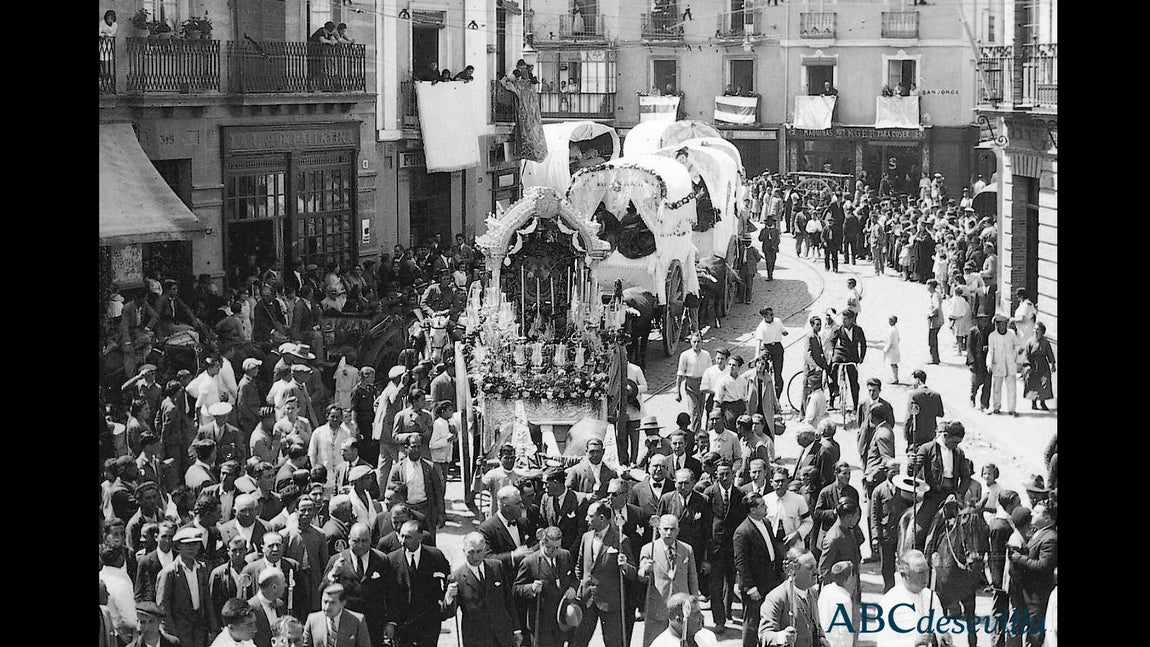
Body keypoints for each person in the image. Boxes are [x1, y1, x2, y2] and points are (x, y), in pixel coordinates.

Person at [572, 501, 638, 647]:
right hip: (587, 599)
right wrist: (580, 585)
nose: (586, 519)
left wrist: (624, 564)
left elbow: (632, 572)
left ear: (601, 518)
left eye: (590, 516)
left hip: (610, 602)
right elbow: (580, 565)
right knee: (578, 641)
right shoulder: (586, 537)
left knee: (613, 643)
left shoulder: (620, 540)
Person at [446, 532, 523, 647]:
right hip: (476, 639)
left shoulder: (497, 567)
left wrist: (516, 629)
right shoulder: (456, 577)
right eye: (471, 552)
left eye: (479, 551)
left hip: (502, 636)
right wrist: (449, 596)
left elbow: (508, 600)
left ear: (485, 550)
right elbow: (448, 613)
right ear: (464, 551)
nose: (475, 557)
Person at [637, 515, 699, 647]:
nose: (668, 533)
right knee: (653, 643)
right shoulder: (648, 549)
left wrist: (695, 604)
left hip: (682, 610)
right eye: (665, 529)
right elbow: (641, 577)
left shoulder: (687, 549)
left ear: (678, 530)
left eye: (672, 529)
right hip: (658, 607)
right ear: (659, 530)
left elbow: (692, 578)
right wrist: (645, 569)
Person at [514, 526, 578, 647]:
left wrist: (572, 588)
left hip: (562, 620)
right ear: (542, 543)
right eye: (550, 548)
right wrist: (531, 588)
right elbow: (516, 589)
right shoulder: (529, 562)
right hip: (541, 624)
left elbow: (574, 579)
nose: (554, 551)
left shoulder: (566, 556)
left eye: (557, 547)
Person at [157, 527, 220, 645]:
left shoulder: (201, 569)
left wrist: (213, 628)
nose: (192, 548)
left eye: (195, 544)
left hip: (199, 630)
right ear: (178, 547)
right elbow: (163, 607)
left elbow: (206, 600)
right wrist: (171, 634)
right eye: (187, 545)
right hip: (179, 630)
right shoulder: (169, 572)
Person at [756, 546, 829, 647]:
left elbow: (815, 624)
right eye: (810, 568)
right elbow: (764, 634)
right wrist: (781, 637)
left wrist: (821, 638)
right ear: (793, 571)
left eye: (815, 566)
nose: (816, 572)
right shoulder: (776, 598)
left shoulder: (812, 593)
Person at [874, 550, 949, 647]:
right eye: (920, 572)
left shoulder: (931, 596)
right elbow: (883, 644)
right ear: (904, 573)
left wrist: (942, 637)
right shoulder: (888, 602)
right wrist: (914, 641)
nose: (926, 577)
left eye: (927, 571)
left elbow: (942, 629)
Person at [1008, 501, 1057, 647]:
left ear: (1047, 518)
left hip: (1037, 597)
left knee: (1036, 637)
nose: (1031, 515)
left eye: (1036, 513)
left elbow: (1043, 566)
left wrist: (1019, 558)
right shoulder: (1039, 532)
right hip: (1028, 594)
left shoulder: (1051, 538)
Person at [387, 434, 446, 534]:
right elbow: (389, 487)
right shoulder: (399, 468)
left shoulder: (429, 467)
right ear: (406, 448)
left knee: (428, 540)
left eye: (419, 446)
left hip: (426, 510)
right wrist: (399, 488)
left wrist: (441, 514)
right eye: (413, 446)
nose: (417, 449)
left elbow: (438, 493)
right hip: (407, 511)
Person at [869, 462, 908, 592]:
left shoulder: (904, 488)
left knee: (905, 565)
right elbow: (874, 515)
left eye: (898, 471)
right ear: (886, 471)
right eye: (893, 471)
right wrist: (875, 537)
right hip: (886, 535)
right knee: (887, 567)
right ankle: (889, 592)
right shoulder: (879, 490)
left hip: (902, 534)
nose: (896, 474)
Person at [301, 584, 371, 647]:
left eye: (332, 603)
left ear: (343, 603)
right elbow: (304, 644)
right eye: (325, 602)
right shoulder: (312, 619)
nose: (327, 607)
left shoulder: (357, 621)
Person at [828, 310, 865, 411]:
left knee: (854, 381)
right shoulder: (839, 328)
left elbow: (863, 343)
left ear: (852, 319)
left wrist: (862, 356)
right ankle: (834, 393)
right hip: (840, 352)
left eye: (846, 319)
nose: (844, 321)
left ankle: (855, 405)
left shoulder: (858, 329)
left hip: (852, 355)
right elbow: (832, 341)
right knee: (832, 368)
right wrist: (831, 351)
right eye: (843, 319)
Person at [986, 313, 1022, 416]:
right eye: (1001, 324)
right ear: (997, 325)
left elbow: (1017, 345)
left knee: (1012, 388)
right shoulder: (992, 336)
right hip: (998, 365)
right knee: (997, 388)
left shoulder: (1011, 334)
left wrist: (1018, 352)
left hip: (1010, 364)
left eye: (1005, 324)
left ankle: (1012, 409)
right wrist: (989, 364)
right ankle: (996, 407)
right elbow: (990, 351)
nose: (1003, 326)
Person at [675, 334, 710, 434]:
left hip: (702, 385)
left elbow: (709, 372)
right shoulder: (685, 355)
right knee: (695, 413)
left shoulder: (706, 355)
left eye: (698, 342)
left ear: (702, 342)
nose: (696, 344)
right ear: (690, 343)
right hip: (691, 385)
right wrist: (677, 392)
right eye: (694, 342)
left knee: (700, 412)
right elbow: (680, 374)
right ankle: (694, 436)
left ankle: (697, 434)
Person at [817, 561, 856, 647]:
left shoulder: (826, 590)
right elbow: (845, 630)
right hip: (836, 643)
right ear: (848, 578)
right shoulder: (844, 599)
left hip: (822, 640)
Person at [904, 369, 944, 450]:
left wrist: (905, 432)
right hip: (931, 432)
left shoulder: (914, 395)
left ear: (917, 380)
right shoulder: (936, 395)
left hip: (916, 433)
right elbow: (941, 414)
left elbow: (909, 417)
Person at [755, 307, 789, 399]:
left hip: (777, 347)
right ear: (765, 316)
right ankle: (763, 388)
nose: (772, 316)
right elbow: (759, 341)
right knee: (762, 366)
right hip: (767, 348)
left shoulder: (777, 321)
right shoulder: (761, 326)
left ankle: (777, 398)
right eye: (770, 315)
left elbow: (783, 330)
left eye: (772, 314)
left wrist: (785, 332)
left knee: (778, 374)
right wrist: (756, 356)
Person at [1022, 322, 1056, 411]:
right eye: (1035, 329)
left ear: (1042, 332)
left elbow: (1050, 354)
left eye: (1038, 330)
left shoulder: (1045, 343)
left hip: (1043, 365)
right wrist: (1027, 366)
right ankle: (1034, 403)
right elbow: (1026, 355)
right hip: (1032, 365)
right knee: (1033, 383)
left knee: (1044, 383)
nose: (1036, 331)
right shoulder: (1029, 342)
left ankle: (1043, 403)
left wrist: (1052, 364)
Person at [926, 279, 945, 364]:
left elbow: (936, 307)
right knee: (933, 339)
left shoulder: (935, 295)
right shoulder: (935, 294)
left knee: (932, 340)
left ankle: (934, 359)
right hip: (937, 319)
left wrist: (931, 314)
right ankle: (935, 358)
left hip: (935, 319)